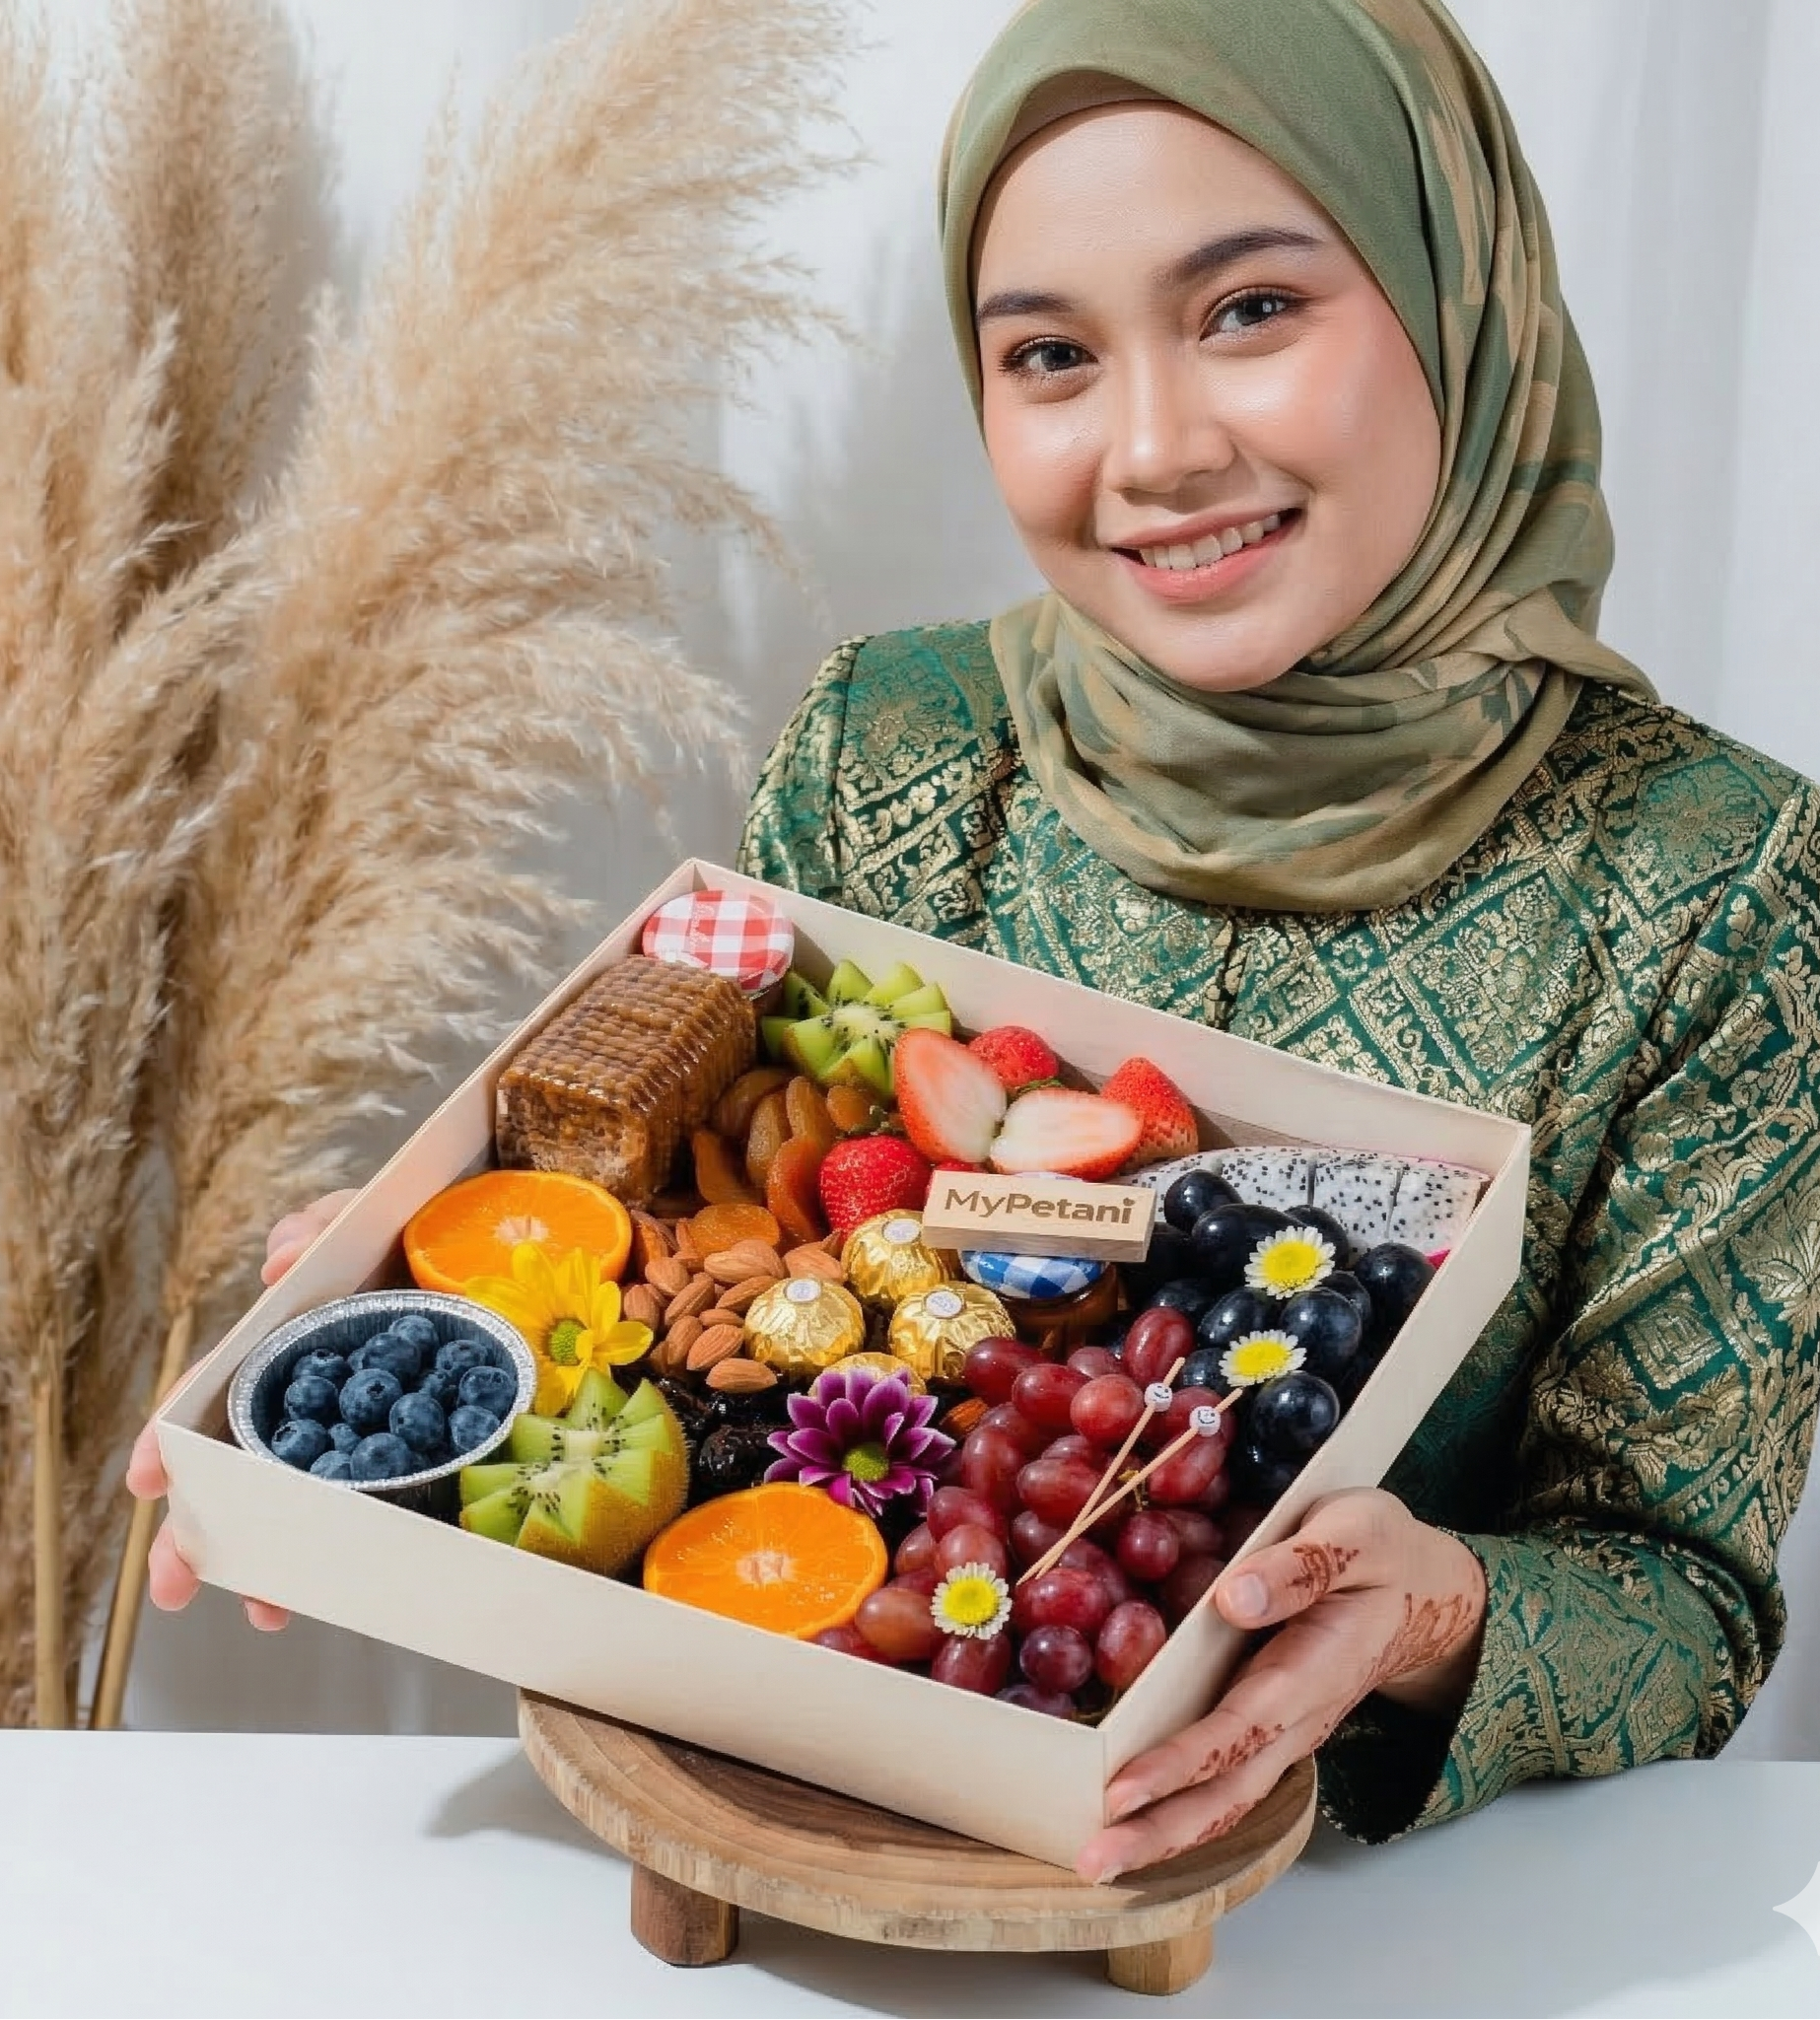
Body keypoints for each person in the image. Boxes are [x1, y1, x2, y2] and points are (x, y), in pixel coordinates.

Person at [131, 0, 1820, 1886]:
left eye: (1251, 308)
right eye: (1048, 354)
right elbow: (683, 1220)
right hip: (788, 1852)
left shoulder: (1716, 881)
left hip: (1353, 1931)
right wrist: (428, 1296)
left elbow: (1680, 1597)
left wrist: (1434, 1621)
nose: (1158, 447)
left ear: (1460, 302)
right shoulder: (889, 742)